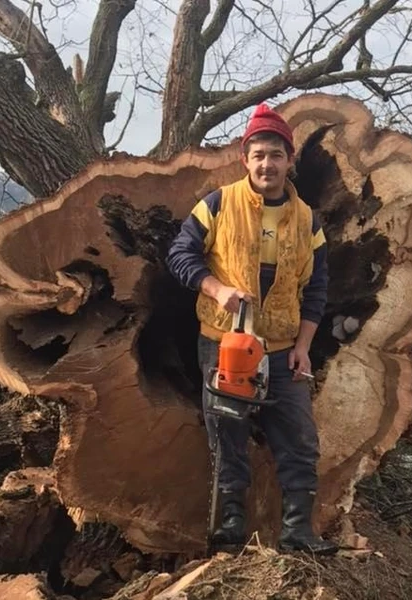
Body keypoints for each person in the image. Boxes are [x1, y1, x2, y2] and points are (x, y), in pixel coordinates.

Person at [167, 102, 337, 556]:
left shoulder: (308, 222)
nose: (267, 164)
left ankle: (298, 532)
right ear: (245, 159)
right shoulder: (217, 204)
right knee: (228, 434)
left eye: (276, 155)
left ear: (289, 160)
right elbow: (179, 255)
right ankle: (229, 531)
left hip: (282, 347)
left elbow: (317, 288)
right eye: (259, 155)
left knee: (299, 438)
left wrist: (303, 346)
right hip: (225, 341)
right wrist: (215, 288)